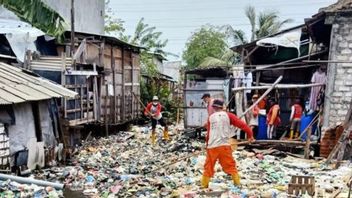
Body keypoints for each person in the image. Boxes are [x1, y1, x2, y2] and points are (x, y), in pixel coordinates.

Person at [201, 99, 255, 188]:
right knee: (230, 165)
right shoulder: (229, 115)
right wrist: (250, 136)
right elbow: (244, 126)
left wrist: (207, 145)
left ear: (213, 107)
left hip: (212, 147)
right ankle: (237, 183)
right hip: (224, 146)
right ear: (223, 107)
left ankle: (204, 185)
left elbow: (208, 134)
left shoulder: (210, 118)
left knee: (208, 166)